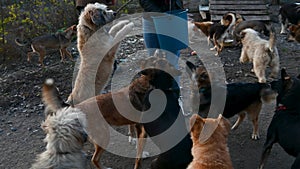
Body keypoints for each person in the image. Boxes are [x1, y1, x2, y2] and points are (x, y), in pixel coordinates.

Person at [139, 0, 189, 115]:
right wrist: (160, 14)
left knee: (171, 62)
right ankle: (156, 100)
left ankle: (176, 99)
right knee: (152, 63)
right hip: (151, 19)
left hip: (171, 19)